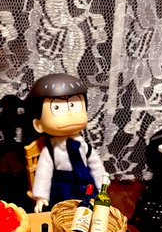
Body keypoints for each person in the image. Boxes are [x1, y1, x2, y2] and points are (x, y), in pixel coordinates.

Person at [27, 73, 105, 212]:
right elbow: (44, 173)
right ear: (38, 125)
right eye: (57, 108)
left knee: (90, 208)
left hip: (86, 184)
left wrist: (101, 185)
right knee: (63, 209)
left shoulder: (83, 146)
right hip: (63, 187)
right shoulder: (51, 150)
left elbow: (96, 165)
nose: (70, 114)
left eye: (74, 105)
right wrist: (41, 196)